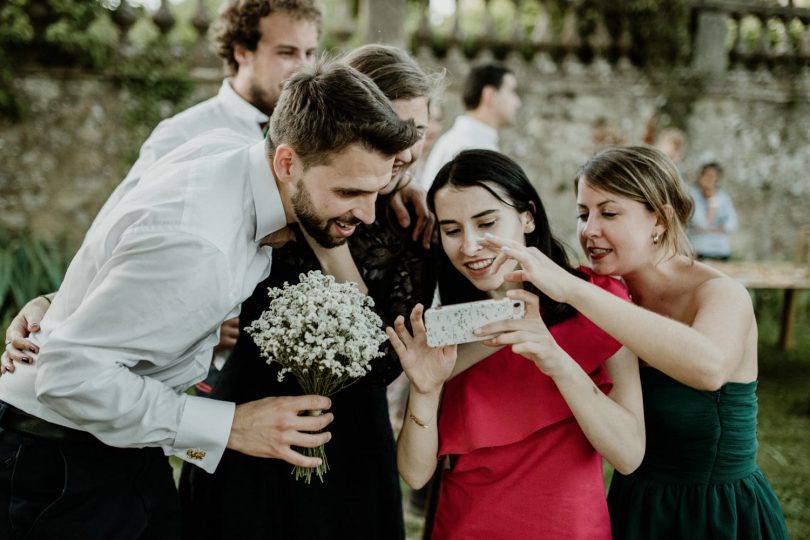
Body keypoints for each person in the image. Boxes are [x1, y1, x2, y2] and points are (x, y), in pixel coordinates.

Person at [0, 59, 420, 539]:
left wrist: (58, 300)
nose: (367, 213)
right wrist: (233, 425)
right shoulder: (203, 246)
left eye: (376, 191)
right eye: (350, 192)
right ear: (287, 162)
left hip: (128, 446)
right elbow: (67, 375)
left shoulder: (228, 154)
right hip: (59, 462)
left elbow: (121, 253)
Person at [1, 0, 433, 379]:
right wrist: (54, 303)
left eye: (308, 52)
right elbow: (120, 241)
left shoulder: (384, 195)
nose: (300, 65)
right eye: (286, 52)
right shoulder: (193, 135)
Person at [180, 44, 439, 540]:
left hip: (352, 443)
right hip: (249, 421)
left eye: (418, 133)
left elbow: (385, 363)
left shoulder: (413, 226)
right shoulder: (280, 187)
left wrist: (331, 240)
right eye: (394, 130)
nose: (404, 151)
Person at [479, 145, 788, 539]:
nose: (590, 230)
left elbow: (708, 367)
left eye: (609, 213)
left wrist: (577, 291)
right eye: (583, 213)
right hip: (635, 509)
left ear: (659, 220)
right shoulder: (603, 295)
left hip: (715, 514)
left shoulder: (721, 294)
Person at [388, 149, 645, 539]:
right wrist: (424, 390)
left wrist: (555, 358)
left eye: (487, 222)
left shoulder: (597, 302)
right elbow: (415, 473)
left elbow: (628, 455)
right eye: (453, 230)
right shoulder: (444, 331)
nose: (470, 246)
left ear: (527, 216)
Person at [419, 64, 521, 188]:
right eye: (511, 91)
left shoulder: (470, 141)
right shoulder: (469, 148)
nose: (517, 102)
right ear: (490, 95)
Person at [688, 161, 738, 261]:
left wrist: (706, 229)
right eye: (706, 175)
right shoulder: (691, 196)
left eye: (713, 176)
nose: (709, 179)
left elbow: (732, 224)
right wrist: (712, 202)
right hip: (699, 250)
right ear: (700, 176)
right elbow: (702, 223)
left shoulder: (723, 197)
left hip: (721, 250)